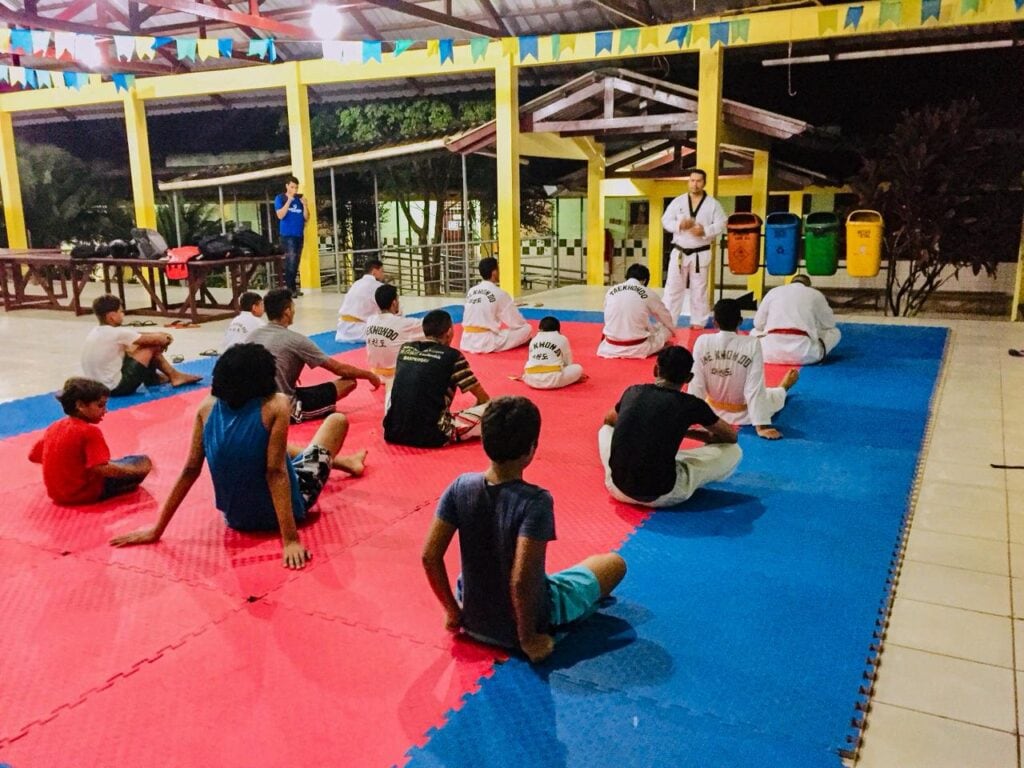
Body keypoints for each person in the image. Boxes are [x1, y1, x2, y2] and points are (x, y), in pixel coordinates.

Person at [110, 343, 367, 569]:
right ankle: (343, 461)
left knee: (265, 445)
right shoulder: (276, 404)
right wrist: (290, 539)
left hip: (236, 519)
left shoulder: (206, 407)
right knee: (336, 421)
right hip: (286, 509)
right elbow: (275, 472)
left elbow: (189, 470)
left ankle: (345, 462)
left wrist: (157, 529)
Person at [422, 395, 627, 663]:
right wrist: (528, 638)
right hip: (525, 621)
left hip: (472, 617)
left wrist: (452, 611)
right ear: (532, 448)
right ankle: (549, 611)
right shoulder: (536, 501)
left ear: (483, 441)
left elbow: (429, 556)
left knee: (476, 572)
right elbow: (522, 578)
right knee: (614, 563)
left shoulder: (460, 486)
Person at [599, 346, 742, 507]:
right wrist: (689, 432)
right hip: (662, 495)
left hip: (616, 487)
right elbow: (731, 436)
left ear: (656, 369)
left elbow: (609, 420)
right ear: (689, 378)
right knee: (734, 451)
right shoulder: (692, 404)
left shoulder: (633, 391)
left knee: (605, 430)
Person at [247, 288, 380, 423]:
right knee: (349, 382)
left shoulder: (252, 335)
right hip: (285, 409)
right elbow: (339, 369)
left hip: (254, 407)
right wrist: (369, 375)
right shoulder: (296, 340)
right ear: (287, 311)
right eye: (292, 308)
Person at [29, 377, 152, 505]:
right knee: (142, 461)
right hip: (86, 493)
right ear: (80, 405)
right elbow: (100, 468)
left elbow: (33, 456)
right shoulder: (89, 432)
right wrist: (134, 470)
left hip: (56, 494)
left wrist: (64, 467)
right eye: (100, 405)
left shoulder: (54, 426)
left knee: (115, 462)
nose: (105, 411)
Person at [689, 298, 799, 440]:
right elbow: (754, 387)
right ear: (740, 321)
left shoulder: (702, 341)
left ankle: (779, 390)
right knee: (772, 396)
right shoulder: (752, 344)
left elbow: (696, 382)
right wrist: (761, 425)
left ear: (715, 322)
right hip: (745, 414)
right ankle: (783, 388)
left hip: (713, 414)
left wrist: (690, 417)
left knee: (766, 393)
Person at [384, 309, 490, 447]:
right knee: (494, 411)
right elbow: (482, 396)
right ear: (449, 332)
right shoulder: (453, 356)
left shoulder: (405, 349)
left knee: (391, 382)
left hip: (393, 430)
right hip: (433, 435)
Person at [81, 294, 202, 396]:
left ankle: (154, 378)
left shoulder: (97, 331)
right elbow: (158, 340)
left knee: (135, 346)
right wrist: (165, 337)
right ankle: (175, 376)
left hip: (98, 388)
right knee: (151, 346)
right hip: (116, 388)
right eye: (121, 311)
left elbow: (135, 336)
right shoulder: (117, 333)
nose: (123, 315)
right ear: (112, 316)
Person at [661, 168, 727, 329]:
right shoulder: (678, 202)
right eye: (692, 180)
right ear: (688, 181)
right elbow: (665, 220)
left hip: (700, 252)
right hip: (679, 251)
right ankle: (669, 321)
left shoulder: (713, 204)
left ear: (704, 183)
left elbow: (722, 223)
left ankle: (698, 321)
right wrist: (679, 225)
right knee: (673, 288)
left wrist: (705, 231)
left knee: (699, 289)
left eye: (698, 181)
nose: (695, 184)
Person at [752, 275, 841, 365]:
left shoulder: (773, 292)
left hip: (768, 354)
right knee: (834, 332)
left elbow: (758, 324)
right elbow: (829, 324)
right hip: (805, 356)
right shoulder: (815, 294)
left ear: (791, 282)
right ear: (808, 285)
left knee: (754, 331)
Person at [364, 283, 425, 412]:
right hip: (397, 377)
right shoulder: (404, 324)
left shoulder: (370, 320)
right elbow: (430, 325)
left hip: (375, 376)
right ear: (394, 303)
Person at [597, 263, 676, 359]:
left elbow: (607, 314)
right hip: (637, 348)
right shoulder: (648, 293)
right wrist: (672, 331)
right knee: (665, 329)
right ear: (645, 280)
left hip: (610, 347)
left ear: (627, 277)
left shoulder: (611, 291)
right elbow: (665, 316)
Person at [460, 257, 532, 354]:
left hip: (466, 340)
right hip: (486, 342)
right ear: (494, 273)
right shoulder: (499, 293)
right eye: (498, 269)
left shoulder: (472, 291)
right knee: (526, 329)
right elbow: (516, 322)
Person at [522, 316, 586, 390]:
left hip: (530, 379)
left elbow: (531, 359)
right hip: (553, 380)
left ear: (540, 329)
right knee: (578, 368)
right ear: (558, 330)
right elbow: (568, 361)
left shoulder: (534, 340)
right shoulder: (562, 338)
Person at [274, 175, 310, 298]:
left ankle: (293, 287)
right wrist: (289, 200)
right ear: (287, 186)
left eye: (296, 187)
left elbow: (306, 217)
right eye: (292, 187)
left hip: (298, 235)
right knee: (290, 261)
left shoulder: (299, 200)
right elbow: (280, 215)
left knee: (296, 262)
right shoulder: (280, 198)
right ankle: (289, 288)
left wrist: (305, 205)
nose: (294, 190)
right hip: (287, 235)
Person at [335, 259, 386, 343]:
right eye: (382, 271)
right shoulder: (378, 287)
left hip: (342, 329)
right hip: (360, 330)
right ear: (374, 272)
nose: (383, 275)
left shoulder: (356, 283)